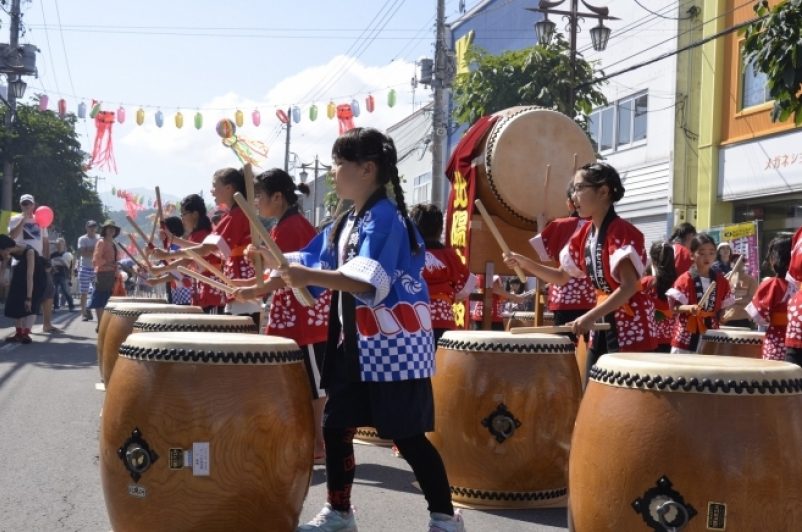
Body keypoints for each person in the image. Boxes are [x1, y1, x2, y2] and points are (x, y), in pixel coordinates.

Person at [263, 128, 463, 532]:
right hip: (354, 343)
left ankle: (444, 516)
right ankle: (340, 512)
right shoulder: (347, 220)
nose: (333, 172)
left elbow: (366, 280)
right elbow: (311, 259)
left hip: (393, 344)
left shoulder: (387, 218)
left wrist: (302, 271)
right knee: (336, 428)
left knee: (407, 437)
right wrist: (270, 263)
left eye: (339, 163)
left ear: (367, 169)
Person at [504, 162, 657, 381]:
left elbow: (630, 285)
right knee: (594, 388)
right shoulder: (585, 234)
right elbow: (561, 277)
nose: (574, 196)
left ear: (603, 191)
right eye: (574, 189)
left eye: (579, 188)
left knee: (622, 396)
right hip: (601, 319)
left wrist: (587, 317)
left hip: (630, 325)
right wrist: (524, 262)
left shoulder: (622, 231)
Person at [234, 168, 331, 464]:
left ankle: (319, 443)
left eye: (260, 196)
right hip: (294, 315)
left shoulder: (293, 226)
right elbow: (278, 269)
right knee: (303, 382)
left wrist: (255, 289)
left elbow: (289, 275)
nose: (258, 203)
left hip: (307, 315)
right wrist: (256, 275)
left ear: (278, 197)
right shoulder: (281, 226)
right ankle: (308, 439)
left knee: (315, 386)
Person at [152, 168, 260, 325]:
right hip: (233, 283)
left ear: (229, 188)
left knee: (239, 340)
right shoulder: (232, 215)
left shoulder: (238, 215)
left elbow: (204, 250)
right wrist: (173, 241)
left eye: (215, 186)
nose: (212, 191)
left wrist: (166, 256)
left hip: (240, 283)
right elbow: (203, 247)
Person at [528, 182, 596, 338]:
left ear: (568, 203)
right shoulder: (597, 226)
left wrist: (541, 226)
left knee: (565, 348)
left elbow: (543, 253)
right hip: (592, 296)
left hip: (565, 295)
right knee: (587, 349)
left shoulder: (560, 225)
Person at [410, 202, 475, 343]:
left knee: (415, 363)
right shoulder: (450, 255)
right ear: (440, 229)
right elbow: (465, 287)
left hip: (411, 315)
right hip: (443, 319)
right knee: (439, 362)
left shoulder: (407, 255)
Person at [666, 233, 734, 353]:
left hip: (710, 330)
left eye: (711, 253)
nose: (707, 257)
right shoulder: (685, 279)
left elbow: (723, 307)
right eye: (702, 253)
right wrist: (689, 308)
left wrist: (724, 315)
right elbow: (674, 307)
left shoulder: (721, 281)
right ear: (692, 255)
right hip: (687, 331)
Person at [8, 193, 57, 332]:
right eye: (24, 204)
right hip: (19, 260)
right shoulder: (14, 219)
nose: (27, 206)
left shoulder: (40, 220)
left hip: (38, 261)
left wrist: (47, 261)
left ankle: (28, 330)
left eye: (29, 204)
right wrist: (22, 221)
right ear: (21, 205)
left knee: (36, 295)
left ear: (34, 205)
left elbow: (45, 242)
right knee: (19, 295)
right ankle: (19, 329)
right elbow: (11, 237)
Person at [746, 236, 794, 360]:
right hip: (797, 340)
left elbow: (756, 316)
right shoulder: (798, 286)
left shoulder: (773, 284)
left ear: (774, 259)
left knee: (776, 377)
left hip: (777, 340)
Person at [0, 234, 46, 344]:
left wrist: (29, 298)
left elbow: (30, 275)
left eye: (1, 251)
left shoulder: (29, 252)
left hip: (36, 278)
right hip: (20, 275)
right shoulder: (6, 253)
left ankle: (26, 334)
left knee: (30, 306)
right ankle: (18, 333)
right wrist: (5, 263)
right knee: (16, 302)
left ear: (7, 248)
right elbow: (2, 270)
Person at [143, 216, 193, 305]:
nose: (160, 232)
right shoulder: (171, 246)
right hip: (177, 288)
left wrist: (157, 279)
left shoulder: (178, 246)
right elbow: (170, 268)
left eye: (163, 229)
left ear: (170, 230)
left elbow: (177, 271)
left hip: (185, 288)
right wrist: (154, 268)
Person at [641, 241, 677, 353]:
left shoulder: (646, 283)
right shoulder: (680, 283)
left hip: (650, 337)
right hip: (674, 338)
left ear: (653, 260)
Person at [88, 220, 121, 327]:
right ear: (105, 230)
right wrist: (108, 262)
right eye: (109, 228)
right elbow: (96, 260)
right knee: (100, 300)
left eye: (113, 228)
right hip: (103, 275)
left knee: (109, 301)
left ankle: (105, 325)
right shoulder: (101, 242)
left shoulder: (114, 244)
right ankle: (100, 324)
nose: (111, 230)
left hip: (112, 275)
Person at [721, 257, 758, 328]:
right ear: (731, 264)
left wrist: (733, 301)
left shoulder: (751, 281)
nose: (737, 263)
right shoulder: (726, 279)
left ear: (744, 264)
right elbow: (721, 299)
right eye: (734, 261)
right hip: (727, 318)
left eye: (741, 261)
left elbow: (752, 299)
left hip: (743, 318)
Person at [76, 220, 100, 321]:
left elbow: (100, 253)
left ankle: (89, 307)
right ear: (86, 228)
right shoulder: (82, 239)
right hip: (84, 267)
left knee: (97, 291)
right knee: (84, 292)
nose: (92, 228)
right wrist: (95, 250)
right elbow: (83, 253)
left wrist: (89, 249)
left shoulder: (100, 238)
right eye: (90, 227)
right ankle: (84, 314)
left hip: (96, 268)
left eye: (94, 226)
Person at [50, 237, 75, 311]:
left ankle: (71, 306)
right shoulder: (53, 254)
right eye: (57, 244)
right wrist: (55, 265)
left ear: (64, 244)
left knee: (66, 291)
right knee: (55, 291)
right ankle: (56, 306)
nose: (58, 245)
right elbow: (50, 264)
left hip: (64, 275)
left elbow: (69, 265)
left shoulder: (68, 254)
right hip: (54, 275)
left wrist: (61, 261)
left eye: (60, 244)